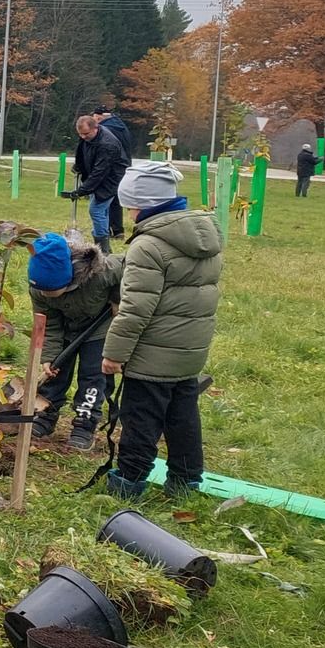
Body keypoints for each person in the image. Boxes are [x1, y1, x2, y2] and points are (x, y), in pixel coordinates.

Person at [101, 159, 221, 498]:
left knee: (141, 418)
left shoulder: (148, 245)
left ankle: (129, 481)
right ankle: (186, 481)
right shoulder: (206, 237)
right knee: (183, 417)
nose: (128, 214)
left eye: (129, 206)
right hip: (190, 349)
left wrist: (113, 355)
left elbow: (135, 308)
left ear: (142, 205)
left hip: (152, 353)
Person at [25, 233, 122, 451]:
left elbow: (129, 268)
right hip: (65, 329)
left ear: (68, 278)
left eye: (51, 290)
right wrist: (48, 357)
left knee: (93, 375)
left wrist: (118, 298)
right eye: (42, 290)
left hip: (98, 330)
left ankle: (85, 422)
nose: (46, 294)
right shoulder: (39, 289)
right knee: (55, 371)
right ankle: (45, 415)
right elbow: (48, 324)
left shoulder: (100, 273)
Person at [67, 113, 129, 254]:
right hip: (100, 176)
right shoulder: (88, 136)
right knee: (102, 211)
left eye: (86, 134)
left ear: (95, 128)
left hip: (111, 179)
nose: (83, 137)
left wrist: (82, 190)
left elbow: (99, 172)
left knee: (96, 210)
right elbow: (81, 150)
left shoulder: (108, 144)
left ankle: (102, 249)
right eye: (80, 134)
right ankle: (104, 246)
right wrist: (79, 165)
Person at [92, 102, 137, 236]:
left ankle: (105, 230)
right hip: (124, 165)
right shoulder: (121, 126)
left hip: (111, 166)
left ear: (98, 117)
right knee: (116, 198)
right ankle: (117, 229)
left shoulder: (105, 129)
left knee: (104, 198)